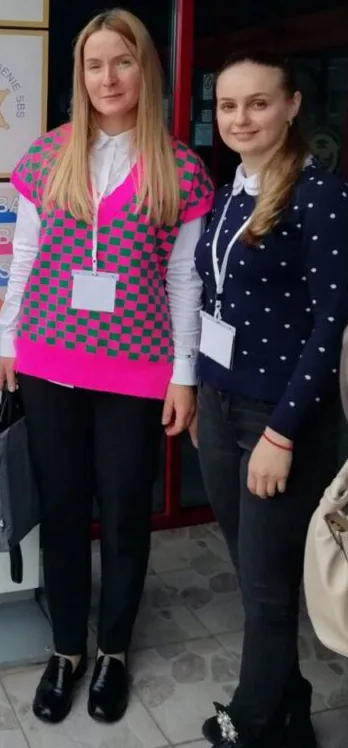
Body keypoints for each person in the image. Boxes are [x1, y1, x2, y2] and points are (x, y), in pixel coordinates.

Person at [0, 8, 214, 725]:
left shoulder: (181, 168)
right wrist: (7, 341)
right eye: (94, 65)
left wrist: (184, 373)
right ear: (79, 75)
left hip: (137, 369)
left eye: (123, 62)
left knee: (123, 514)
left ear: (146, 70)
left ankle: (113, 649)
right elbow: (25, 256)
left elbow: (185, 280)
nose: (108, 78)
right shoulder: (46, 157)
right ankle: (67, 649)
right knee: (61, 511)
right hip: (48, 361)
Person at [192, 50, 348, 748]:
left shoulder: (320, 196)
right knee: (257, 570)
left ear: (291, 107)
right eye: (228, 105)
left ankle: (253, 722)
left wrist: (281, 433)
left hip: (281, 419)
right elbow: (215, 299)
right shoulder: (230, 193)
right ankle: (289, 707)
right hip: (222, 405)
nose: (241, 118)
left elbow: (331, 324)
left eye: (258, 103)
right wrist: (201, 392)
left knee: (264, 586)